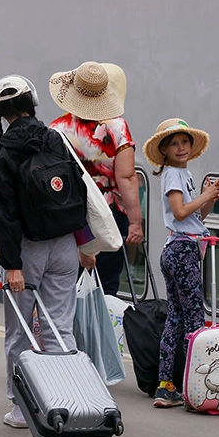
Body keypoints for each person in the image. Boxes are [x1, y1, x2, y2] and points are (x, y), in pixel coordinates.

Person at [0, 75, 88, 430]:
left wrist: (12, 266)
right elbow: (80, 191)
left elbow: (4, 214)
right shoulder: (55, 139)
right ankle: (64, 400)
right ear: (32, 104)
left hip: (26, 251)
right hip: (64, 245)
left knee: (19, 333)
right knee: (59, 326)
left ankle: (22, 407)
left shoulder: (2, 152)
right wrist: (83, 243)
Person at [143, 119, 219, 407]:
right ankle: (198, 386)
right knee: (194, 319)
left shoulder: (180, 174)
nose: (181, 147)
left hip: (175, 250)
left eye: (185, 142)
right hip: (183, 252)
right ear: (163, 150)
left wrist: (209, 198)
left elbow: (194, 218)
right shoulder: (174, 176)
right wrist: (203, 195)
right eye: (174, 143)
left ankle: (166, 387)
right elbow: (179, 214)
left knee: (176, 318)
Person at [48, 61, 145, 295]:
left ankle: (71, 330)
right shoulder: (118, 127)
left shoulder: (56, 128)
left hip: (72, 214)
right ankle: (99, 328)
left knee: (70, 282)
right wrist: (135, 221)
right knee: (106, 283)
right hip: (108, 215)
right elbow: (127, 176)